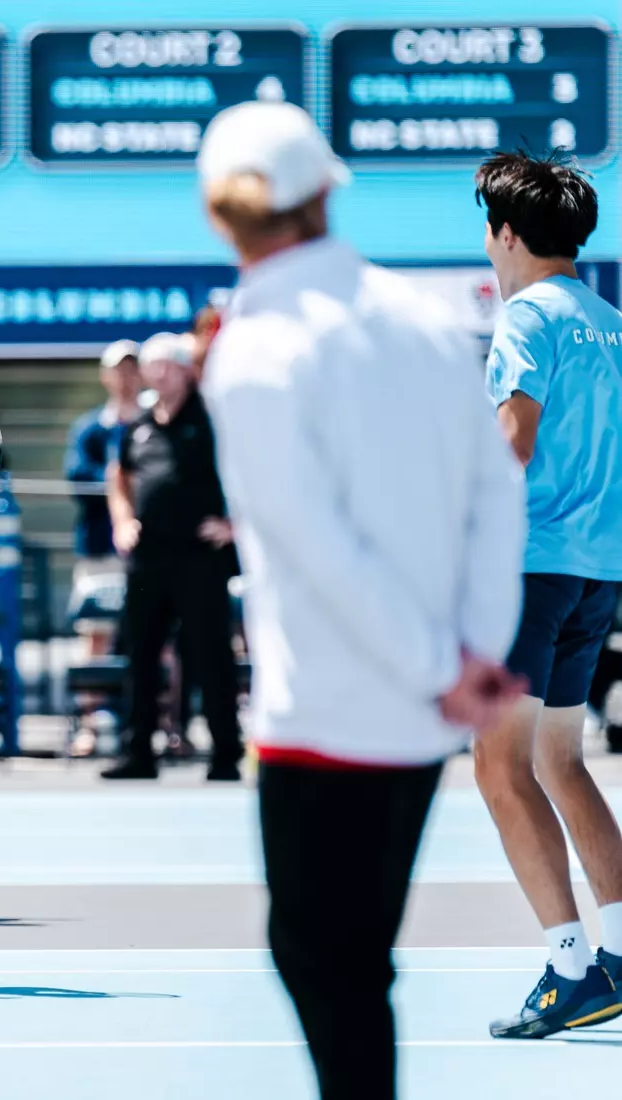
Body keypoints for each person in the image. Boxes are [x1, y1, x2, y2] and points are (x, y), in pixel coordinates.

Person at [196, 101, 527, 1099]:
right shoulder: (427, 316)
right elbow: (495, 497)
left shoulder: (253, 352)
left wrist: (442, 666)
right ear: (327, 190)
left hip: (334, 708)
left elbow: (317, 549)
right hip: (427, 710)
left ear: (223, 217)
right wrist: (473, 657)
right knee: (354, 959)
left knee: (321, 960)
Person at [473, 150, 622, 1038]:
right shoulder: (611, 322)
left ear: (506, 233)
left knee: (497, 767)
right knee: (562, 765)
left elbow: (510, 446)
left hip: (526, 570)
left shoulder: (526, 317)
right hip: (595, 573)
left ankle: (572, 967)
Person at [101, 331, 244, 781]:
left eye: (168, 365)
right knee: (141, 655)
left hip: (200, 557)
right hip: (148, 559)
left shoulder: (214, 419)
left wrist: (234, 524)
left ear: (186, 369)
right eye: (152, 365)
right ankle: (138, 753)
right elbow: (118, 476)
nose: (158, 373)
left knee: (212, 656)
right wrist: (123, 521)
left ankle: (226, 755)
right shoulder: (140, 421)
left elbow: (255, 473)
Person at [65, 340, 143, 565]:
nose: (125, 379)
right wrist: (123, 481)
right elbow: (78, 477)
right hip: (99, 548)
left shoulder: (157, 426)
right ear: (105, 376)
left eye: (131, 370)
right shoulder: (89, 428)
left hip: (152, 549)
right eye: (118, 371)